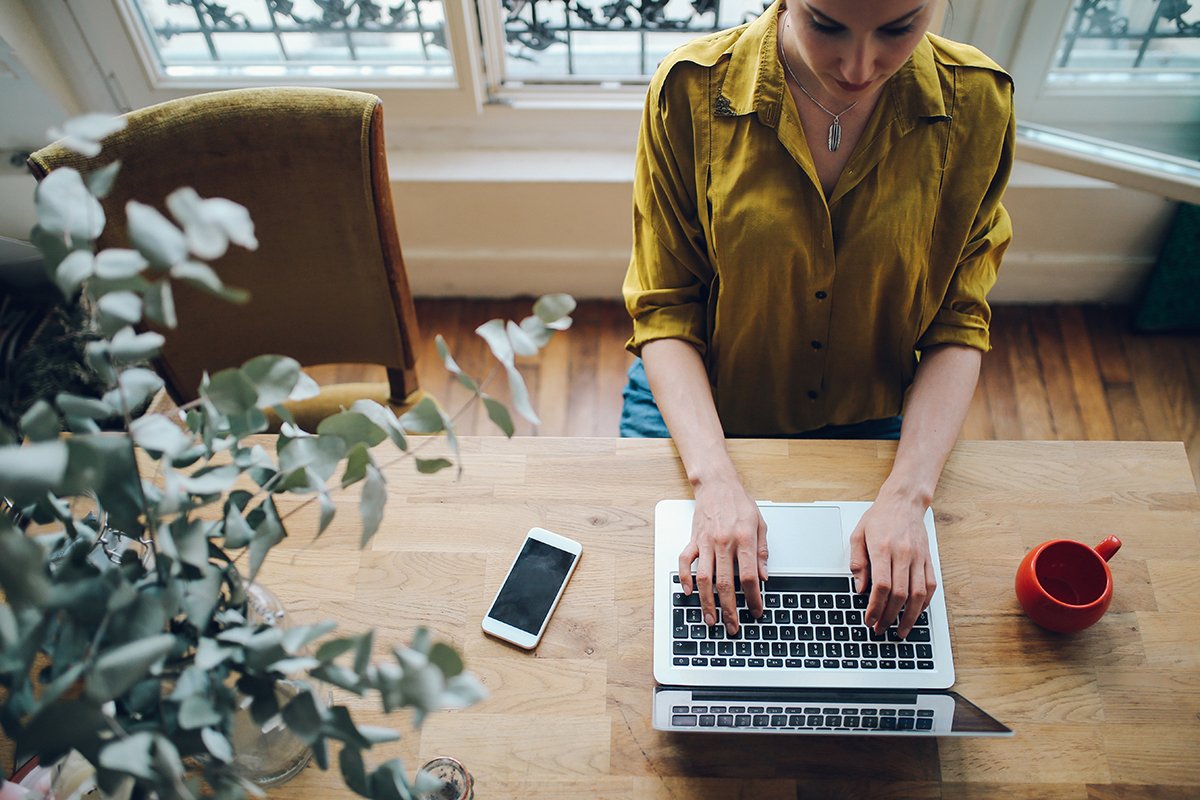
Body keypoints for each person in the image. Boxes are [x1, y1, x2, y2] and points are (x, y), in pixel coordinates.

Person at [621, 0, 1014, 642]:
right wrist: (714, 480)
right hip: (704, 407)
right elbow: (665, 308)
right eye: (826, 25)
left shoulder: (980, 104)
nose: (860, 67)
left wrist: (909, 495)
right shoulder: (690, 90)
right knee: (649, 622)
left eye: (897, 28)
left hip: (876, 415)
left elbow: (957, 319)